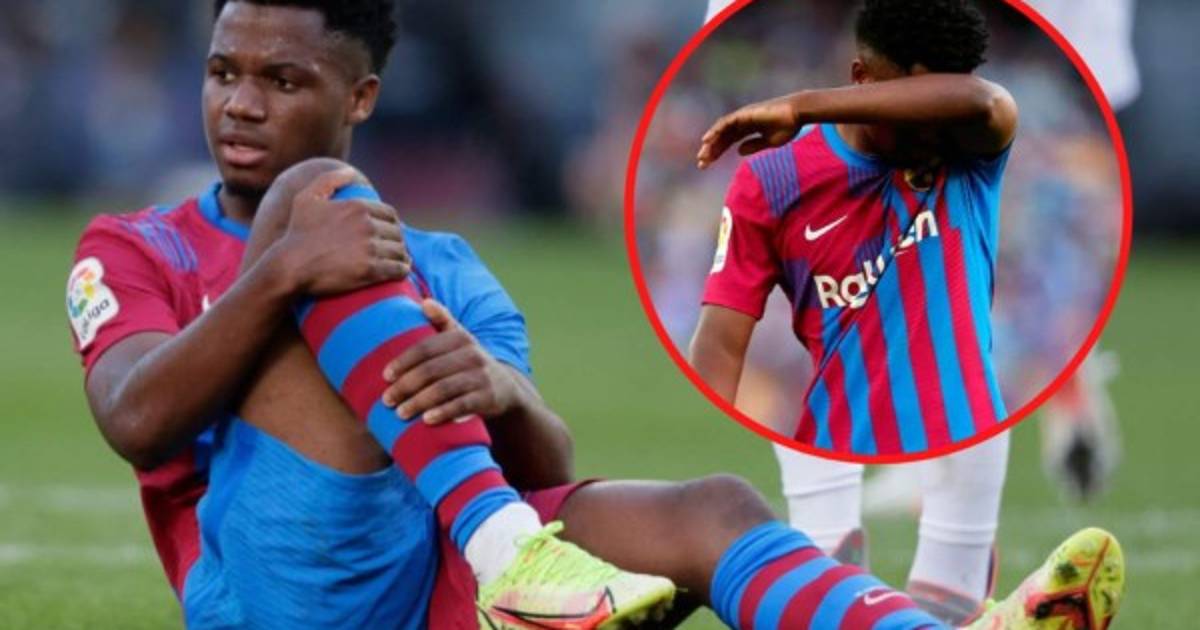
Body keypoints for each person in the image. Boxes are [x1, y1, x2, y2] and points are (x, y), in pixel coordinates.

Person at [65, 1, 1124, 628]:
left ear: (362, 97)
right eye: (223, 72)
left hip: (437, 582)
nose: (241, 102)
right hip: (280, 595)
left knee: (715, 506)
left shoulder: (447, 263)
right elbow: (133, 417)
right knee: (317, 203)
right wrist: (281, 273)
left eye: (281, 79)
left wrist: (504, 391)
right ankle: (513, 562)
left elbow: (541, 461)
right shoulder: (136, 245)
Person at [692, 0, 1018, 622]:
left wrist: (803, 104)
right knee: (828, 592)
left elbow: (982, 101)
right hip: (830, 437)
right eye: (908, 103)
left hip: (966, 425)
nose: (928, 129)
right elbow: (721, 341)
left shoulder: (970, 148)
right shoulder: (773, 179)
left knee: (945, 610)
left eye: (933, 103)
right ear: (862, 79)